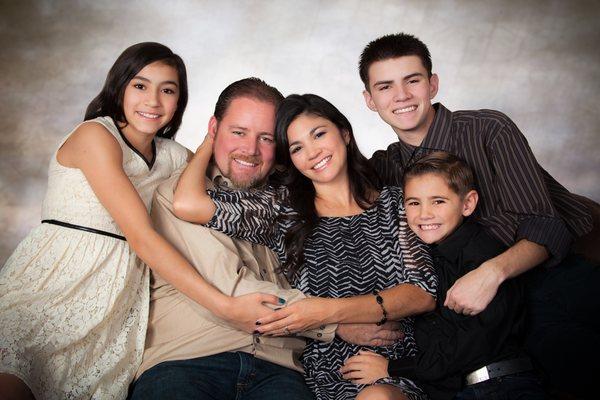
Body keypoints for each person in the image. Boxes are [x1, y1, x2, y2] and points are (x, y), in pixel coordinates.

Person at [0, 44, 279, 400]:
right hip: (57, 284)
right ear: (119, 88)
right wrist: (225, 307)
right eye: (140, 86)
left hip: (118, 304)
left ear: (179, 100)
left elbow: (224, 174)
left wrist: (214, 135)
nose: (153, 101)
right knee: (16, 377)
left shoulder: (172, 156)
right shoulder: (95, 136)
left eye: (168, 90)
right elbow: (143, 237)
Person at [359, 33, 599, 397]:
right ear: (370, 100)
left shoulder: (487, 129)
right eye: (385, 86)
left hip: (545, 282)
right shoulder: (386, 168)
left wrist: (490, 273)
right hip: (468, 318)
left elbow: (545, 225)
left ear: (432, 84)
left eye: (413, 80)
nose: (402, 96)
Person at [173, 93, 437, 400]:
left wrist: (325, 310)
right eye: (297, 148)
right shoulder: (283, 210)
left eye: (319, 134)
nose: (312, 153)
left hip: (393, 363)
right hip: (323, 368)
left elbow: (422, 293)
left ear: (345, 133)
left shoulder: (395, 204)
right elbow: (187, 203)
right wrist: (212, 136)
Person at [341, 152, 547, 400]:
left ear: (468, 204)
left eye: (438, 201)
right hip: (454, 390)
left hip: (501, 384)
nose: (424, 214)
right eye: (413, 203)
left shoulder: (483, 256)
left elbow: (472, 345)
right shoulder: (420, 257)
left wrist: (390, 368)